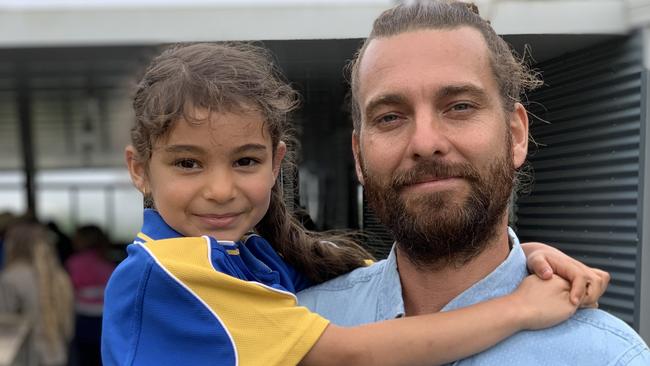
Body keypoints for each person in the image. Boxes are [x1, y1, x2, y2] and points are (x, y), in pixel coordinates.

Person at [102, 42, 607, 366]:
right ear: (139, 169)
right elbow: (352, 354)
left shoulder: (242, 258)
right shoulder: (171, 272)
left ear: (277, 164)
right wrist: (516, 308)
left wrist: (520, 259)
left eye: (245, 161)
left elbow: (384, 280)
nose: (219, 189)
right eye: (188, 164)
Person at [297, 1, 650, 365]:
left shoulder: (609, 357)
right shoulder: (297, 332)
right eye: (390, 117)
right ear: (358, 155)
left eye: (460, 106)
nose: (425, 143)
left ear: (515, 135)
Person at [0, 220, 75, 366]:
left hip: (23, 358)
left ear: (13, 245)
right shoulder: (60, 277)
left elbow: (4, 329)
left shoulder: (11, 278)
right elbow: (68, 327)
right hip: (57, 355)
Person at [66, 224, 116, 366]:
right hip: (105, 319)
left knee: (83, 358)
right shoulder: (108, 262)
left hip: (83, 318)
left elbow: (70, 290)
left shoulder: (74, 262)